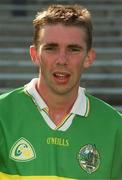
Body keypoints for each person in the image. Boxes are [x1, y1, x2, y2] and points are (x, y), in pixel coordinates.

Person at [0, 4, 122, 179]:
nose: (62, 60)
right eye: (51, 48)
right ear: (34, 55)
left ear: (88, 57)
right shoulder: (2, 115)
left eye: (73, 49)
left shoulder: (115, 128)